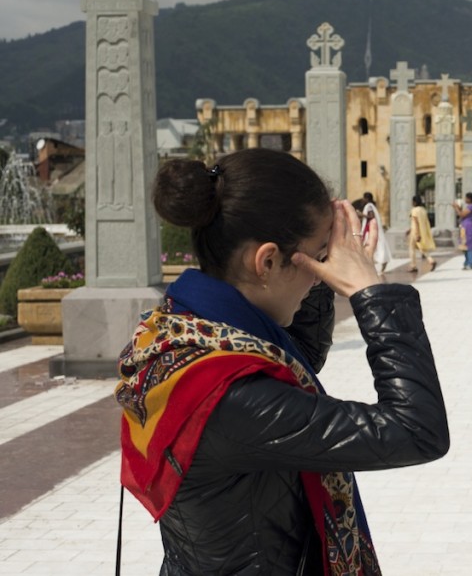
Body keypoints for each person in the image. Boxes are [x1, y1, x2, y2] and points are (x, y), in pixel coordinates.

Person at [116, 148, 449, 575]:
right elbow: (416, 431)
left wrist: (319, 259)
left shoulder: (189, 332)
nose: (320, 273)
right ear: (267, 261)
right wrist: (373, 296)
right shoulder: (229, 396)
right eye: (316, 258)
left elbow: (299, 357)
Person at [362, 191, 393, 275]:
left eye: (364, 198)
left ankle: (373, 266)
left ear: (367, 198)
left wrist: (361, 215)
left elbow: (371, 216)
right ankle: (376, 265)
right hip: (371, 229)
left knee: (370, 247)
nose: (363, 200)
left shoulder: (369, 206)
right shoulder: (371, 206)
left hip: (371, 230)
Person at [407, 194, 437, 273]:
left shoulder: (414, 210)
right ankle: (431, 260)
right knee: (421, 248)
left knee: (412, 248)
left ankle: (413, 266)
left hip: (415, 232)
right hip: (421, 231)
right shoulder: (423, 210)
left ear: (414, 202)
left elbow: (416, 223)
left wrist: (417, 234)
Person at [453, 192, 472, 270]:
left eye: (466, 198)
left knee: (469, 245)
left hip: (469, 228)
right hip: (465, 227)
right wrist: (458, 208)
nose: (465, 199)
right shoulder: (469, 206)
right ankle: (467, 262)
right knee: (464, 245)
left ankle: (470, 263)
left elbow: (462, 214)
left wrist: (456, 208)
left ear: (469, 199)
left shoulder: (471, 207)